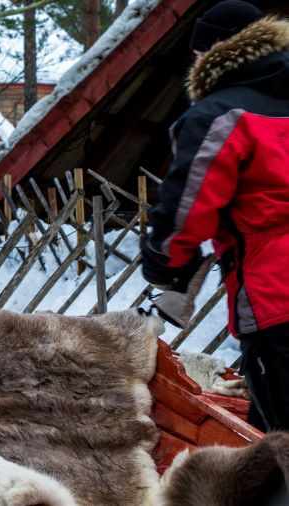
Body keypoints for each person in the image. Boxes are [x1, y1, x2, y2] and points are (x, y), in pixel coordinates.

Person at [141, 0, 289, 432]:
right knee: (262, 436)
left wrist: (164, 260)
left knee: (277, 441)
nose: (197, 60)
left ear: (221, 50)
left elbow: (187, 213)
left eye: (199, 52)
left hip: (276, 300)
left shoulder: (219, 116)